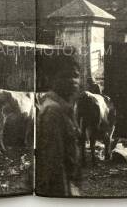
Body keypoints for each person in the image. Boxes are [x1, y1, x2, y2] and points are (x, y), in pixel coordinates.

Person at [36, 55, 82, 197]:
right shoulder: (54, 111)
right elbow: (54, 162)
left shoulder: (64, 109)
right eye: (65, 76)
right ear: (51, 80)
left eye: (76, 76)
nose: (73, 81)